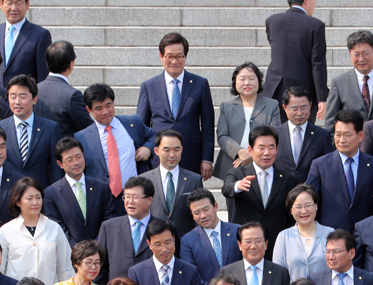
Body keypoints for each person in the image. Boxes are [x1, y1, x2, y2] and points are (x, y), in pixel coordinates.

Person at [136, 32, 215, 178]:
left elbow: (208, 126)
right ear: (161, 56)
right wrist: (146, 150)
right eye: (169, 56)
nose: (174, 61)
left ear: (185, 56)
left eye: (179, 56)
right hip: (158, 157)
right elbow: (142, 127)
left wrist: (207, 159)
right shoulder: (149, 86)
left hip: (191, 156)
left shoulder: (200, 84)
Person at [76, 83, 156, 211]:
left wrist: (148, 148)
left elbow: (154, 135)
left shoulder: (133, 123)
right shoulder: (82, 137)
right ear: (89, 110)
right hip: (102, 200)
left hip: (133, 196)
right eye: (98, 108)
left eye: (108, 105)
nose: (105, 112)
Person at [307, 109, 373, 232]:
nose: (341, 140)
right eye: (338, 135)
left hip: (366, 234)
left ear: (360, 136)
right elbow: (311, 202)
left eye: (347, 135)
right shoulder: (320, 165)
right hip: (331, 235)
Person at [222, 125, 298, 248]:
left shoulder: (287, 178)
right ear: (250, 150)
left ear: (277, 149)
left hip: (277, 242)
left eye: (271, 147)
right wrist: (238, 185)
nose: (266, 153)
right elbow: (226, 188)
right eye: (261, 148)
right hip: (248, 243)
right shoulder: (238, 173)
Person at [262, 0, 327, 123]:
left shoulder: (272, 21)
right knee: (301, 132)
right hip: (303, 92)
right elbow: (318, 63)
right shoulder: (316, 25)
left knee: (276, 132)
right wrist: (322, 97)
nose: (314, 3)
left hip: (274, 90)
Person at [0, 177, 75, 285]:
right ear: (18, 202)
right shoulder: (6, 231)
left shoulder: (54, 228)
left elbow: (66, 269)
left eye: (38, 197)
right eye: (29, 198)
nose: (35, 202)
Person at [43, 137, 118, 246]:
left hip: (100, 250)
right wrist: (79, 251)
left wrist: (97, 247)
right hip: (70, 251)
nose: (76, 162)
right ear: (60, 164)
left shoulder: (102, 188)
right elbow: (57, 227)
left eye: (78, 157)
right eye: (69, 160)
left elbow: (110, 220)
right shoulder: (51, 194)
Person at [215, 62, 282, 180]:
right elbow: (222, 136)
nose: (247, 83)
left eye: (251, 78)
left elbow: (274, 133)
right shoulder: (227, 106)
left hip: (262, 163)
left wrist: (253, 154)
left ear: (259, 81)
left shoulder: (271, 105)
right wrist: (240, 152)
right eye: (242, 79)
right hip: (233, 163)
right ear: (235, 82)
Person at [0, 74, 63, 188]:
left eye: (22, 97)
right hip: (9, 192)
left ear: (34, 99)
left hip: (40, 192)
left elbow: (56, 170)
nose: (17, 102)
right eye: (13, 97)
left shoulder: (50, 128)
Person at [0, 0, 52, 86]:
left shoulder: (40, 35)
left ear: (27, 4)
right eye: (9, 3)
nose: (14, 8)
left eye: (19, 3)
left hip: (24, 95)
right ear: (1, 4)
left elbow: (43, 77)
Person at [324, 30, 373, 128]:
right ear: (350, 54)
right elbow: (331, 122)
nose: (361, 59)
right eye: (356, 54)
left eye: (366, 53)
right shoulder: (339, 83)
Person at [95, 176, 159, 282]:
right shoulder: (109, 227)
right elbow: (100, 267)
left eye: (135, 197)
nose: (130, 201)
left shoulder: (163, 227)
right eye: (127, 197)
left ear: (149, 200)